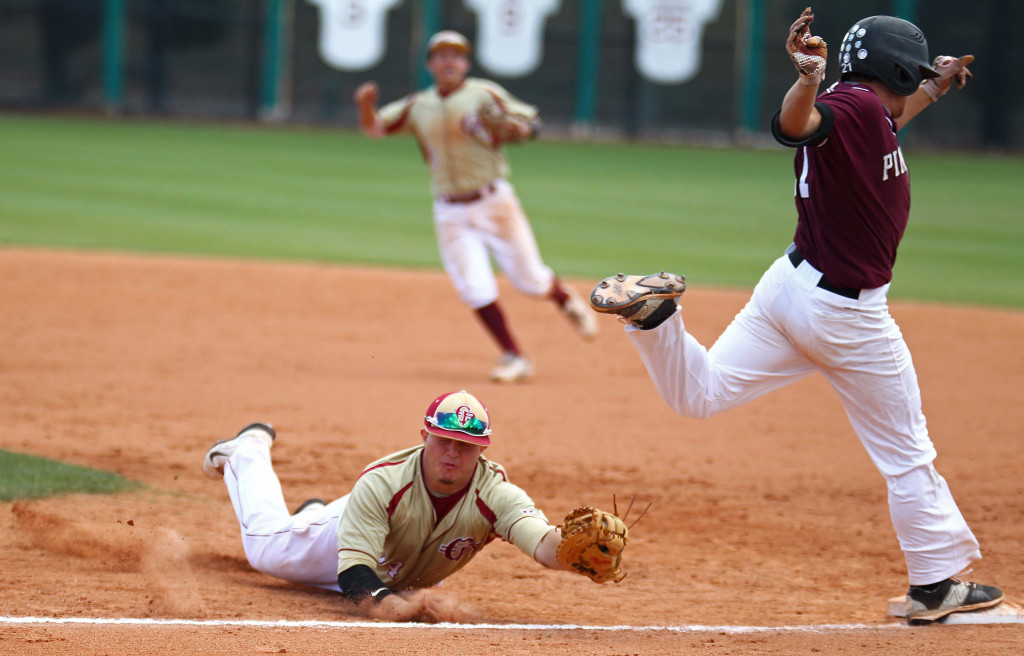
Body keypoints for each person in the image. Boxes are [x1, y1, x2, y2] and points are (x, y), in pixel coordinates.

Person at [588, 8, 1002, 624]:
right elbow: (794, 123)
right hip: (847, 316)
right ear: (891, 67)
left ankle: (655, 320)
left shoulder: (865, 108)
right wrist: (805, 76)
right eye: (910, 70)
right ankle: (935, 587)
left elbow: (889, 116)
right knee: (908, 455)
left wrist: (934, 84)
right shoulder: (850, 107)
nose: (913, 80)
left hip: (789, 288)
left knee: (701, 395)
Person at [201, 390, 619, 622]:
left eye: (467, 446)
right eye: (444, 441)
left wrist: (568, 553)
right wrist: (392, 605)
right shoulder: (384, 481)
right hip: (343, 546)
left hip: (396, 566)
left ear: (483, 449)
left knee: (397, 580)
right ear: (425, 436)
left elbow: (544, 544)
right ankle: (247, 451)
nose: (453, 454)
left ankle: (308, 513)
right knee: (261, 548)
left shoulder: (495, 494)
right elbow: (354, 575)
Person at [353, 30, 597, 384]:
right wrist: (364, 106)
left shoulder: (484, 94)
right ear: (430, 64)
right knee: (473, 287)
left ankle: (563, 299)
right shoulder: (418, 105)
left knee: (529, 281)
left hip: (495, 202)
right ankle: (515, 355)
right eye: (441, 55)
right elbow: (375, 128)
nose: (449, 61)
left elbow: (531, 121)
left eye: (456, 55)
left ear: (465, 63)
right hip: (450, 211)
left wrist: (523, 130)